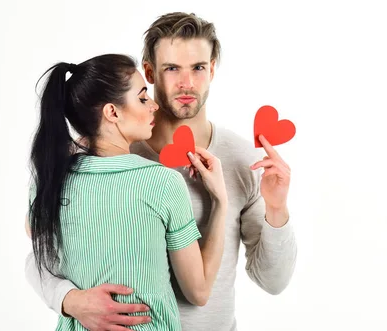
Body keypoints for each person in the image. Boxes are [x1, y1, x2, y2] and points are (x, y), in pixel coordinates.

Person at [25, 12, 298, 331]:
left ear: (211, 70)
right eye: (172, 69)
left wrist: (277, 209)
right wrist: (70, 301)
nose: (186, 83)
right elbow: (39, 253)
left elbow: (273, 282)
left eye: (198, 67)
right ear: (151, 72)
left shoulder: (241, 160)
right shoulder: (92, 154)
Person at [26, 53, 230, 330]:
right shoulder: (161, 182)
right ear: (112, 112)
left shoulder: (50, 179)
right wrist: (220, 202)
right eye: (143, 97)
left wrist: (70, 300)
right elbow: (199, 291)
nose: (154, 105)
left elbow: (37, 258)